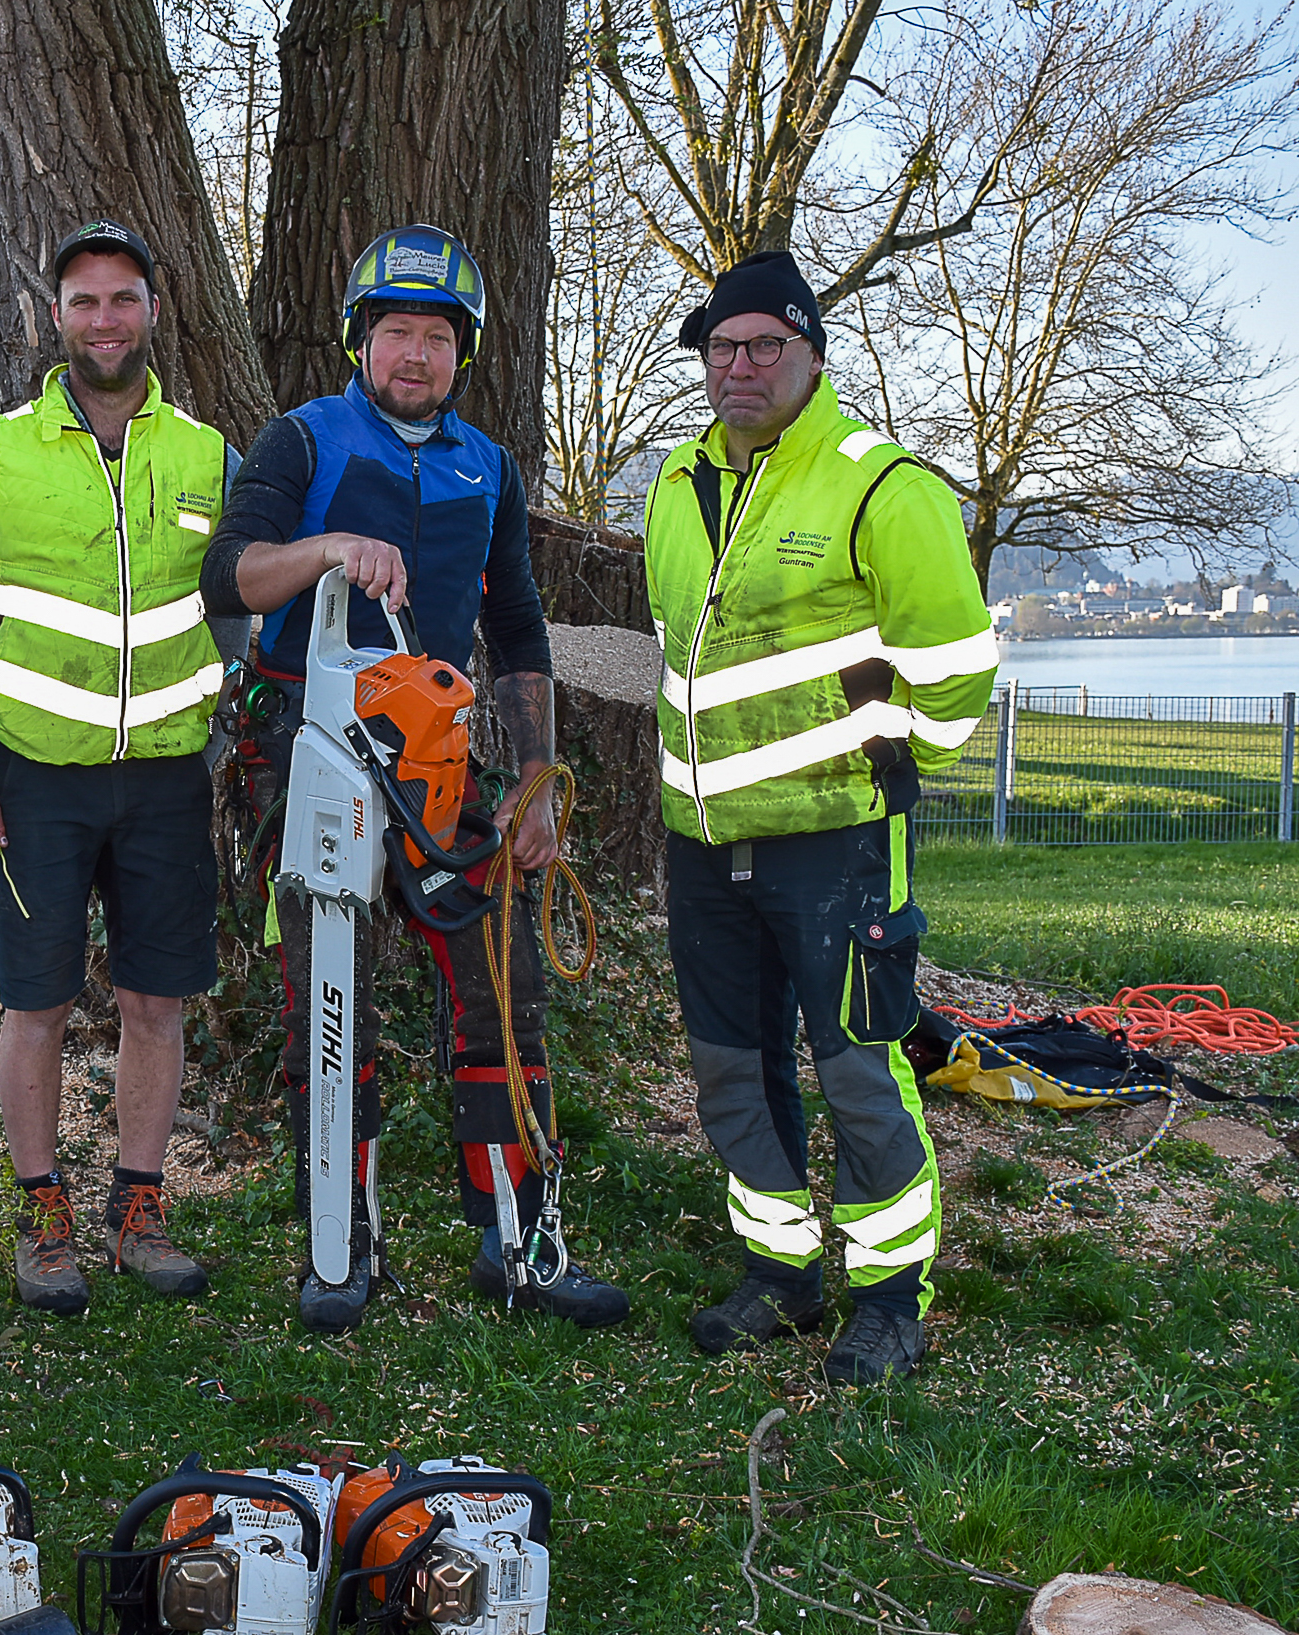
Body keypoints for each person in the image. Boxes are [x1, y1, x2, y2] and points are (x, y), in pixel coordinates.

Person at [201, 224, 630, 1337]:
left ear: (462, 352)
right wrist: (330, 549)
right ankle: (339, 1244)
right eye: (397, 330)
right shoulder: (304, 438)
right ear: (361, 338)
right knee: (327, 997)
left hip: (436, 760)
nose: (415, 355)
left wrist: (536, 777)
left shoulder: (489, 465)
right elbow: (229, 577)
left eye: (437, 337)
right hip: (309, 746)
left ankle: (521, 1239)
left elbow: (518, 623)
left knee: (502, 982)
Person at [647, 251, 994, 1384]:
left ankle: (890, 1298)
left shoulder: (881, 485)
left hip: (836, 842)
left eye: (765, 345)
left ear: (810, 354)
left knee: (858, 1071)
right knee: (733, 1069)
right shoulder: (675, 482)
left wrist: (888, 767)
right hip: (705, 845)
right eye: (721, 347)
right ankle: (782, 1271)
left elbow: (957, 670)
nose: (739, 366)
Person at [0, 219, 246, 1318]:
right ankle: (43, 1215)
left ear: (153, 310)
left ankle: (139, 1208)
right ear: (54, 318)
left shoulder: (205, 454)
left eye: (123, 298)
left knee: (157, 999)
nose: (105, 320)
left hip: (164, 784)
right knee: (38, 1002)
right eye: (84, 302)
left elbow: (234, 608)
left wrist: (210, 727)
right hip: (33, 784)